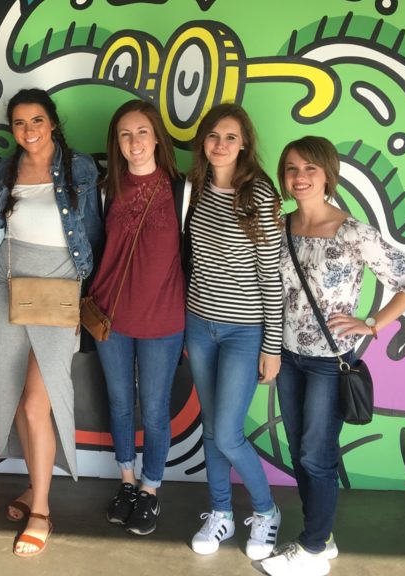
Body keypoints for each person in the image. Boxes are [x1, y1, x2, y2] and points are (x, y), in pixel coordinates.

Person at [261, 136, 405, 576]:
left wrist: (372, 323)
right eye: (292, 169)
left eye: (309, 169)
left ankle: (313, 549)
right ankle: (324, 537)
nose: (299, 177)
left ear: (327, 175)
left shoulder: (353, 233)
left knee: (316, 455)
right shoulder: (280, 226)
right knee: (302, 453)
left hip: (327, 361)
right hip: (287, 357)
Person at [0, 88, 104, 557]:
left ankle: (41, 510)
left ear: (53, 122)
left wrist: (87, 295)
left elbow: (93, 234)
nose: (28, 130)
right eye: (19, 123)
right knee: (18, 393)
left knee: (41, 401)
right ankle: (35, 485)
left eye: (36, 120)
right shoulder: (4, 170)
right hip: (8, 284)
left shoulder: (80, 169)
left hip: (58, 288)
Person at [184, 102, 283, 560]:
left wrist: (272, 345)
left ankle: (265, 511)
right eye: (212, 136)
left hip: (245, 331)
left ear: (244, 143)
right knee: (211, 429)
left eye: (230, 137)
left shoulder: (260, 194)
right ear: (202, 143)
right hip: (199, 324)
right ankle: (220, 513)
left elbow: (271, 275)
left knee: (227, 433)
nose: (220, 145)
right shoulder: (196, 187)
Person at [87, 99, 187, 536]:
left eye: (142, 131)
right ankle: (126, 481)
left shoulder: (183, 189)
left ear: (157, 137)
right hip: (110, 317)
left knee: (156, 409)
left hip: (164, 319)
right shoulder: (106, 187)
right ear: (117, 143)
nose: (134, 142)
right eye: (125, 134)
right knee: (120, 403)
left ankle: (150, 490)